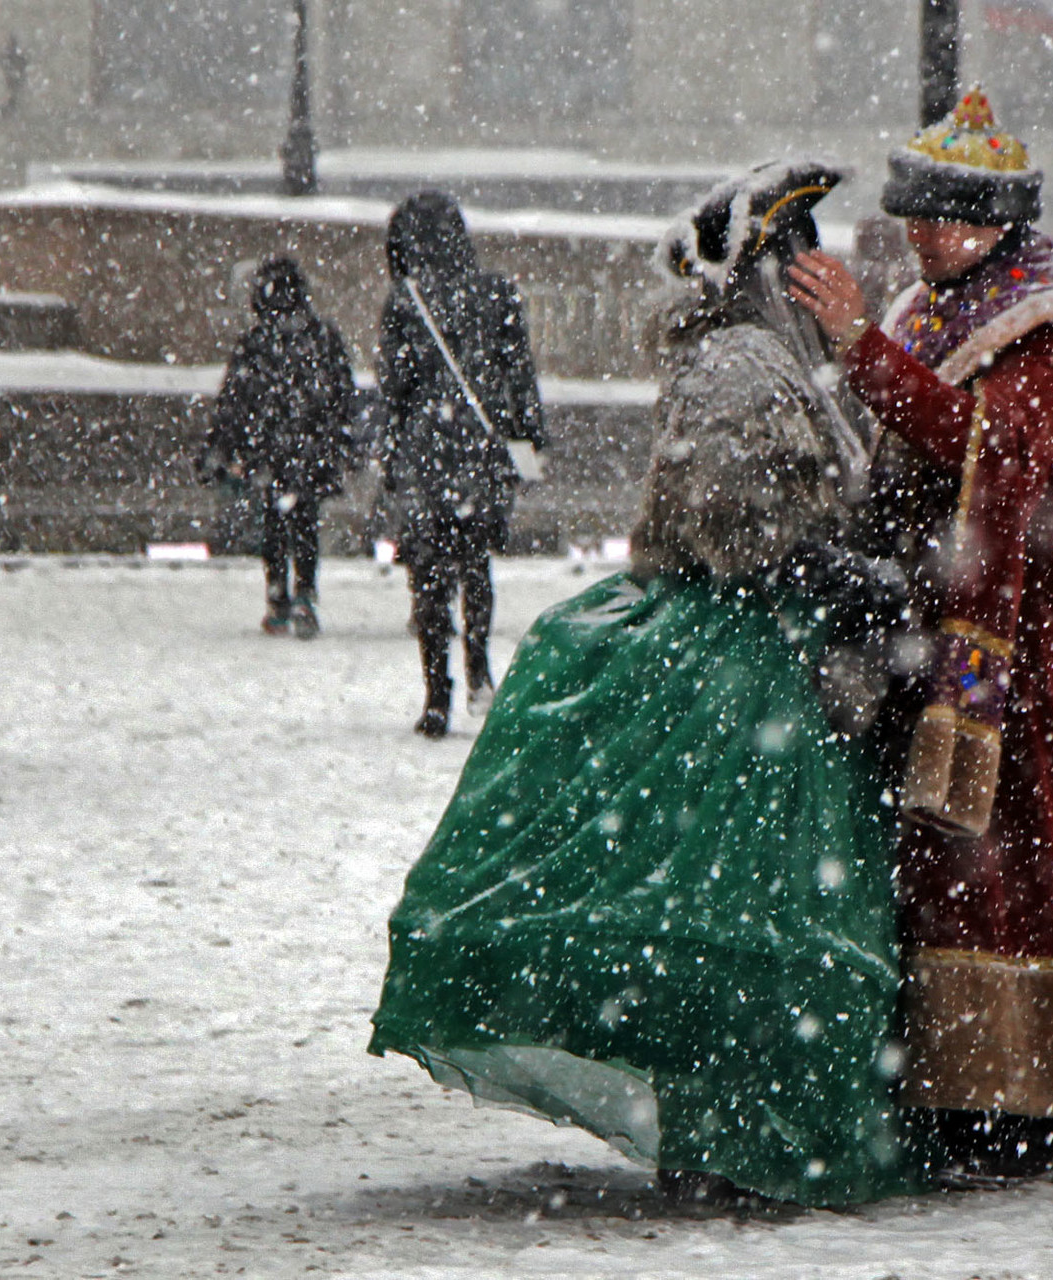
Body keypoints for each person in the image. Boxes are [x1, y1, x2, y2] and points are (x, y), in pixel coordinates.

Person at [369, 161, 926, 1208]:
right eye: (798, 245)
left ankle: (751, 1133)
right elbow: (739, 520)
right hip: (740, 671)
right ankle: (739, 1140)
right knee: (747, 917)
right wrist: (839, 576)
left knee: (751, 919)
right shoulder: (744, 362)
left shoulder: (771, 358)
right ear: (758, 263)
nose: (819, 264)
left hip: (765, 661)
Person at [787, 85, 1053, 1186]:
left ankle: (1019, 1108)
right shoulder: (925, 310)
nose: (925, 236)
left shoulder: (1052, 325)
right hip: (925, 631)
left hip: (1017, 651)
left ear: (1001, 222)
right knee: (934, 863)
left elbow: (991, 456)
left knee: (1015, 865)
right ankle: (943, 1089)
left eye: (947, 217)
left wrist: (858, 347)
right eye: (917, 215)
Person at [377, 191, 546, 738]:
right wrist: (530, 435)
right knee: (475, 561)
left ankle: (436, 694)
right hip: (483, 443)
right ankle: (479, 668)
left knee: (427, 572)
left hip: (428, 448)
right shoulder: (498, 291)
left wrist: (391, 455)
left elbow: (395, 390)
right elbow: (520, 372)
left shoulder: (406, 300)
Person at [201, 254, 364, 638]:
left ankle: (277, 601)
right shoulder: (324, 336)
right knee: (305, 519)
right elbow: (343, 395)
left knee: (274, 522)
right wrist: (343, 442)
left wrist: (222, 448)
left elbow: (234, 400)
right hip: (312, 446)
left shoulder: (256, 342)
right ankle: (305, 592)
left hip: (269, 447)